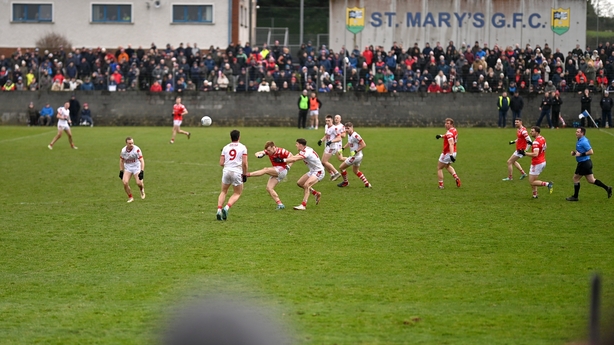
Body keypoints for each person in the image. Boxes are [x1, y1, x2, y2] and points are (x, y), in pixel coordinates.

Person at [274, 138, 323, 210]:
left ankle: (303, 205)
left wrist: (283, 160)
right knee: (300, 183)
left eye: (297, 144)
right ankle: (316, 193)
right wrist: (286, 163)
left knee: (307, 185)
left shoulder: (307, 152)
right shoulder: (304, 150)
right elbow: (294, 157)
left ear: (300, 145)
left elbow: (296, 159)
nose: (296, 145)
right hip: (312, 171)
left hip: (319, 171)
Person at [566, 128, 612, 201]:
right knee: (591, 180)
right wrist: (575, 153)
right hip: (587, 163)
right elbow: (581, 152)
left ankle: (575, 197)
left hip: (584, 164)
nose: (576, 133)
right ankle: (607, 188)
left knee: (575, 178)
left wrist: (581, 154)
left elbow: (591, 152)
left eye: (578, 132)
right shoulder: (580, 140)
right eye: (576, 132)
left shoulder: (584, 141)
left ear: (582, 133)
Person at [247, 141, 293, 209]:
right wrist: (260, 155)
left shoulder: (282, 151)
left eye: (269, 150)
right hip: (276, 170)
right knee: (269, 188)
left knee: (266, 169)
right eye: (267, 150)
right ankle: (280, 204)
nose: (268, 152)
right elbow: (256, 153)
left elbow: (293, 157)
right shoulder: (268, 151)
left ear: (273, 147)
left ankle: (247, 175)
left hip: (282, 170)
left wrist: (287, 165)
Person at [217, 130, 248, 220]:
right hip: (237, 172)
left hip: (226, 171)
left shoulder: (225, 148)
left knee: (223, 191)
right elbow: (245, 163)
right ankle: (226, 208)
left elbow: (221, 163)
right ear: (239, 137)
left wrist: (228, 163)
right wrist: (244, 174)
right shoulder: (243, 147)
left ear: (231, 138)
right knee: (237, 193)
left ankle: (219, 210)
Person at [336, 122, 372, 188]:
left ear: (352, 128)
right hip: (359, 156)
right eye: (345, 128)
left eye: (348, 128)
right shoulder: (349, 135)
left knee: (341, 167)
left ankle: (345, 182)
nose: (346, 130)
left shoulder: (355, 135)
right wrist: (343, 148)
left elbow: (363, 144)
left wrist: (355, 151)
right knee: (355, 171)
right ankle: (367, 183)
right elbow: (350, 142)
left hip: (355, 156)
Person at [524, 126, 553, 199]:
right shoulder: (542, 138)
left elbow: (535, 154)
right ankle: (535, 195)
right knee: (534, 180)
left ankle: (548, 184)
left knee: (532, 182)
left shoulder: (536, 142)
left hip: (537, 163)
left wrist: (525, 153)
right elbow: (545, 147)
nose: (530, 132)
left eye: (532, 131)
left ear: (537, 132)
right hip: (542, 161)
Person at [435, 118, 461, 189]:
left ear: (452, 124)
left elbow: (451, 143)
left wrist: (451, 155)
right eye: (445, 123)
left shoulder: (449, 133)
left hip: (447, 153)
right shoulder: (454, 130)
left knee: (439, 168)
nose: (446, 125)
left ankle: (441, 185)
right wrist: (441, 136)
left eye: (448, 123)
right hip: (454, 152)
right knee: (447, 166)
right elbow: (448, 136)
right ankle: (456, 178)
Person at [119, 137, 145, 203]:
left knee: (139, 183)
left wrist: (142, 171)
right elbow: (121, 160)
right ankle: (130, 197)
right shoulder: (123, 151)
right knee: (125, 182)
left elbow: (142, 160)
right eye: (130, 143)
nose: (131, 145)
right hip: (128, 167)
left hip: (136, 167)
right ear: (126, 144)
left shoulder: (137, 150)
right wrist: (121, 171)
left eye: (132, 143)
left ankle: (141, 189)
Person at [317, 115, 342, 181]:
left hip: (332, 147)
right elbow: (326, 135)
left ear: (332, 120)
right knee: (323, 162)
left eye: (329, 121)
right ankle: (332, 174)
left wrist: (331, 141)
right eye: (326, 121)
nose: (327, 122)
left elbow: (339, 138)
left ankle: (336, 173)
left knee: (324, 162)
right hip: (328, 146)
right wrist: (321, 140)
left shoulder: (334, 128)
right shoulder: (326, 126)